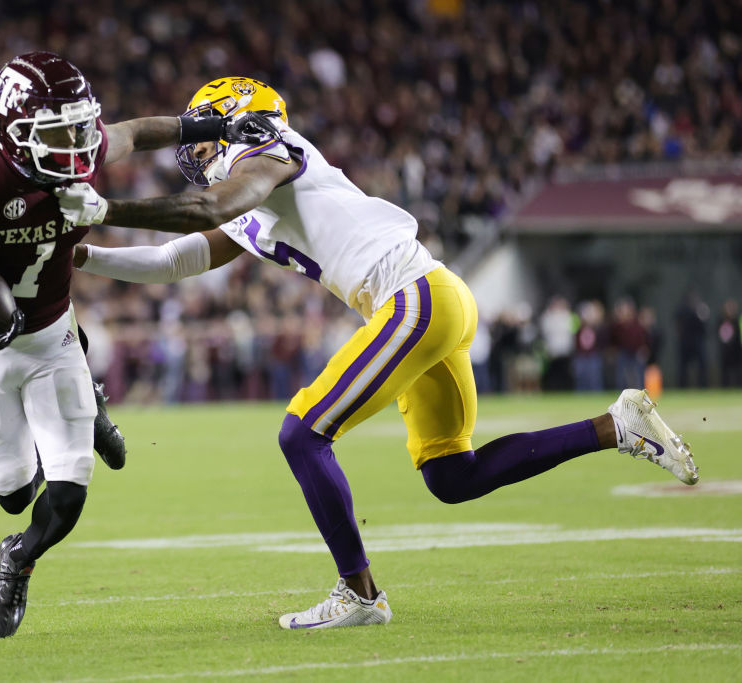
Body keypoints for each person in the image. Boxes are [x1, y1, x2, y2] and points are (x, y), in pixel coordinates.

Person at [55, 76, 701, 630]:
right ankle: (618, 425)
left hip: (412, 296)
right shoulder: (248, 183)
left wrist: (107, 208)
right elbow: (181, 257)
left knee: (302, 432)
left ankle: (360, 594)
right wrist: (87, 255)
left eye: (201, 138)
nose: (192, 152)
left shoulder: (268, 155)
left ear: (234, 128)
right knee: (453, 476)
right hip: (431, 298)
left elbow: (209, 204)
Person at [0, 53, 269, 638]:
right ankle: (83, 407)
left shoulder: (81, 147)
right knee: (14, 494)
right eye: (57, 131)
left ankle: (19, 560)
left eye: (79, 125)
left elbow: (138, 132)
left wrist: (216, 125)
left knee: (67, 491)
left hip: (57, 335)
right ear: (12, 135)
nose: (77, 145)